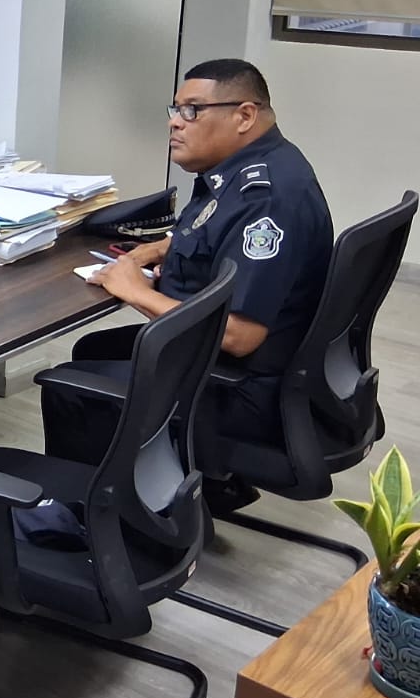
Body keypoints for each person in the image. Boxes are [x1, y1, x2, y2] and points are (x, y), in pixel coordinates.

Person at [42, 58, 333, 512]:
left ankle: (90, 521)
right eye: (176, 109)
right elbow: (215, 228)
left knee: (72, 386)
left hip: (246, 388)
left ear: (244, 115)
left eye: (192, 110)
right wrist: (162, 248)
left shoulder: (267, 200)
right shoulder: (256, 165)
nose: (175, 122)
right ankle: (199, 485)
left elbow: (238, 336)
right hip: (261, 364)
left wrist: (136, 291)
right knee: (94, 350)